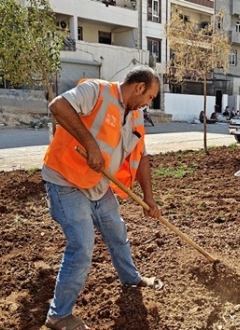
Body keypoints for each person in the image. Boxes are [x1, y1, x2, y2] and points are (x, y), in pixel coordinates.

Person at [42, 65, 163, 330]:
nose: (148, 103)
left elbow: (141, 156)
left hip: (98, 185)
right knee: (82, 246)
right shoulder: (96, 91)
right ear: (139, 88)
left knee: (116, 232)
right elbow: (58, 106)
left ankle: (130, 278)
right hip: (66, 181)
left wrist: (149, 198)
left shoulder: (135, 115)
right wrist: (91, 145)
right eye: (150, 97)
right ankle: (58, 315)